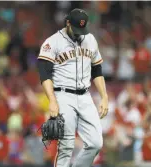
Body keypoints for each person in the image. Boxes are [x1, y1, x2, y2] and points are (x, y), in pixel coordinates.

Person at [37, 8, 108, 167]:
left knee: (96, 143)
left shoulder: (90, 39)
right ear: (68, 22)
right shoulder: (52, 42)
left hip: (85, 96)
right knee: (67, 145)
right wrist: (53, 101)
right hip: (63, 95)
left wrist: (104, 97)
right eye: (76, 29)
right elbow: (45, 74)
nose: (79, 33)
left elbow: (97, 70)